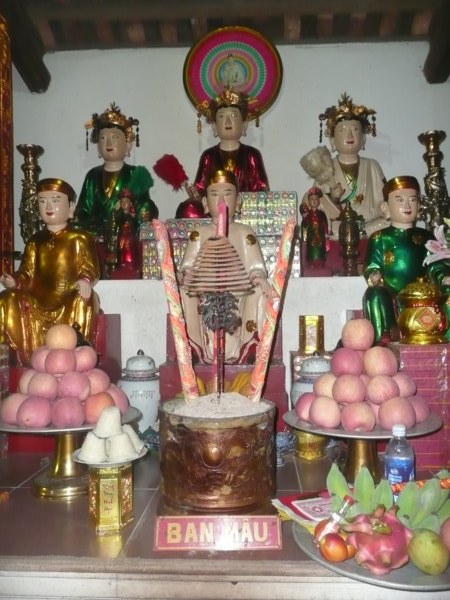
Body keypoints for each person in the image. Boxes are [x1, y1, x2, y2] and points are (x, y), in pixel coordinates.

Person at [0, 178, 100, 365]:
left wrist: (85, 280)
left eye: (55, 200)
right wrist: (15, 281)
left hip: (68, 298)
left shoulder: (80, 238)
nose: (48, 206)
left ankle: (74, 355)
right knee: (7, 297)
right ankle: (17, 358)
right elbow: (27, 272)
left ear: (70, 207)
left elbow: (89, 267)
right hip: (36, 302)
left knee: (82, 297)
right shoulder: (35, 241)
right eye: (42, 201)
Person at [179, 170, 270, 364]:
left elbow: (255, 266)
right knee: (185, 293)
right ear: (205, 203)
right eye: (214, 195)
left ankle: (248, 346)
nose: (221, 200)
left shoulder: (244, 232)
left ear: (238, 201)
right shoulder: (199, 233)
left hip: (239, 296)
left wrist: (257, 277)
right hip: (205, 295)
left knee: (259, 291)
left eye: (228, 194)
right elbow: (188, 267)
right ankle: (195, 346)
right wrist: (187, 275)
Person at [363, 176, 450, 342]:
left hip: (423, 296)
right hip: (392, 294)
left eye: (413, 200)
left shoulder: (426, 237)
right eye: (400, 200)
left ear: (419, 205)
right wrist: (373, 275)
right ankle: (385, 339)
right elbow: (371, 265)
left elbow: (435, 265)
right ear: (386, 207)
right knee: (374, 294)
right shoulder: (380, 238)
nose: (407, 205)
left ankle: (445, 338)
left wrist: (443, 276)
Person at [302, 93, 387, 236]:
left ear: (363, 139)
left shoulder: (372, 166)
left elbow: (384, 202)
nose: (349, 136)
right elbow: (312, 202)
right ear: (332, 141)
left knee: (387, 223)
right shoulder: (325, 167)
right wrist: (332, 198)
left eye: (355, 130)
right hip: (338, 230)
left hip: (368, 228)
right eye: (342, 130)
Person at [75, 102, 158, 241]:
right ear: (98, 147)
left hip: (125, 232)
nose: (108, 144)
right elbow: (83, 209)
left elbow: (144, 206)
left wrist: (133, 214)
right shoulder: (92, 175)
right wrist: (81, 219)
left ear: (128, 145)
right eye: (103, 138)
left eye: (114, 138)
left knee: (148, 207)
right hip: (97, 232)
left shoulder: (135, 174)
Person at [194, 86, 269, 197]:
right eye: (222, 116)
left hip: (244, 205)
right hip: (216, 206)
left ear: (244, 125)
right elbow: (200, 188)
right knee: (189, 206)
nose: (228, 121)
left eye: (234, 115)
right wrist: (195, 193)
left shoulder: (252, 154)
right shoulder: (208, 156)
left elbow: (262, 187)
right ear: (214, 126)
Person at [300, 186, 329, 266]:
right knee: (311, 249)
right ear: (309, 201)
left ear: (319, 201)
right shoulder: (307, 214)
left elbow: (325, 225)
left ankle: (321, 262)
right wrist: (304, 238)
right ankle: (311, 263)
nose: (314, 201)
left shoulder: (322, 213)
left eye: (316, 199)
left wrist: (326, 235)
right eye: (312, 199)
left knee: (320, 249)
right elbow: (304, 226)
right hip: (311, 234)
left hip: (320, 234)